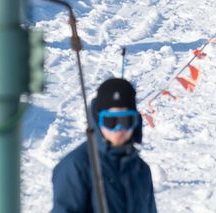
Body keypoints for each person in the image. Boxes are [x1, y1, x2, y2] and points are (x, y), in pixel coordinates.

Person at [50, 77, 157, 213]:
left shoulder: (141, 170)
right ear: (98, 120)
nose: (119, 129)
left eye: (126, 120)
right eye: (111, 121)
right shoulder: (76, 166)